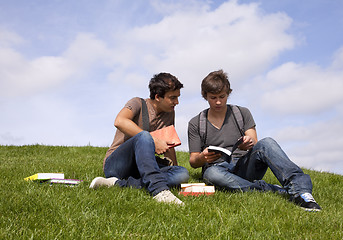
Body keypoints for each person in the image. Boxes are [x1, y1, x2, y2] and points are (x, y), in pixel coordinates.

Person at [187, 70, 321, 211]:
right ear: (205, 96)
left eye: (222, 96)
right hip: (217, 169)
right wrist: (203, 157)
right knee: (211, 174)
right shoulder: (196, 123)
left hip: (244, 165)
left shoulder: (242, 113)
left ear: (228, 93)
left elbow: (255, 144)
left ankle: (301, 192)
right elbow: (193, 161)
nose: (218, 102)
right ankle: (269, 189)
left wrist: (248, 144)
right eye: (213, 97)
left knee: (267, 142)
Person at [90, 73, 189, 205]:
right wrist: (153, 140)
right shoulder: (137, 103)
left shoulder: (169, 112)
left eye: (177, 97)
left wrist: (173, 170)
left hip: (143, 167)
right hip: (117, 166)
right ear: (158, 97)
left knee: (181, 173)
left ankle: (117, 184)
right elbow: (119, 121)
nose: (177, 102)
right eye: (173, 98)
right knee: (144, 136)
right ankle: (159, 191)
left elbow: (169, 143)